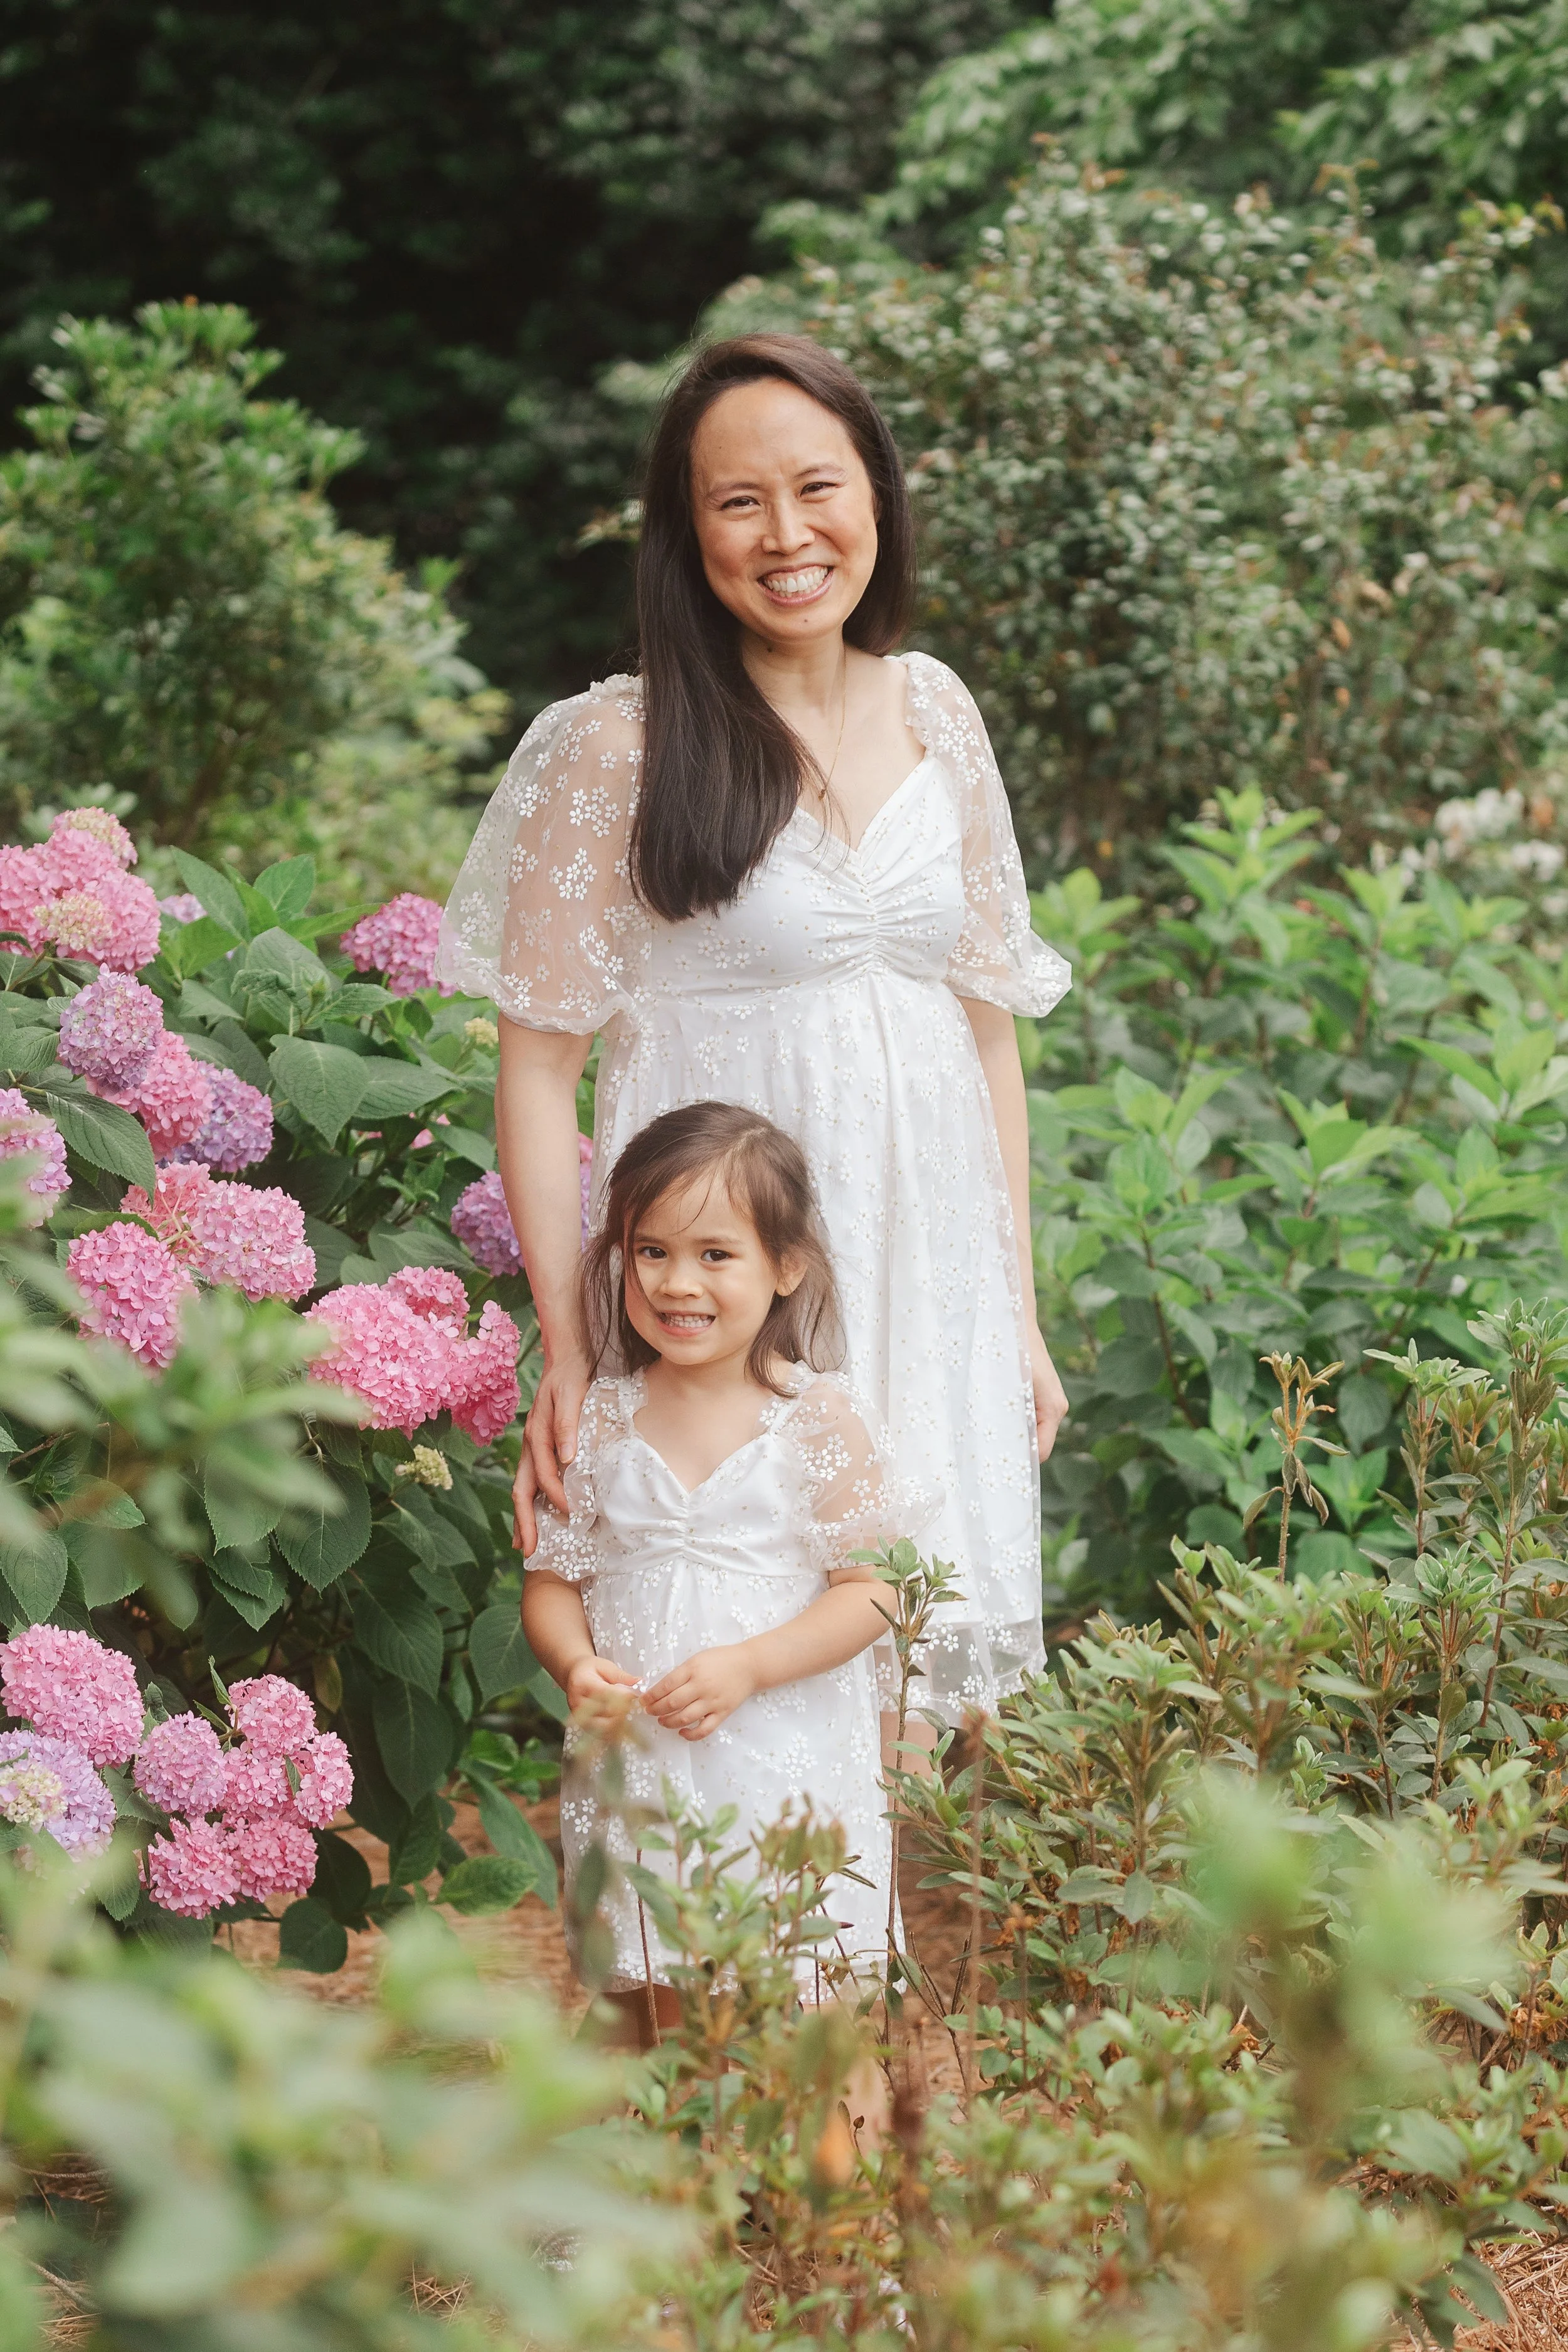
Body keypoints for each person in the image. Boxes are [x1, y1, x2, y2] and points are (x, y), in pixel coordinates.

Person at [437, 331, 1071, 1719]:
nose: (786, 535)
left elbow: (984, 1040)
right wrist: (572, 1342)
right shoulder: (618, 749)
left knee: (901, 1680)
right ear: (686, 533)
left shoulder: (939, 715)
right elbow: (538, 1069)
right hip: (720, 1292)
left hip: (924, 1271)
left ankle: (862, 1950)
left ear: (877, 498)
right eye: (737, 502)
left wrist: (1011, 1312)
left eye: (816, 487)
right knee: (701, 1681)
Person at [522, 1101, 925, 2041]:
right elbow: (552, 1583)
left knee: (806, 2013)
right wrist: (577, 1665)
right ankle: (670, 2177)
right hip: (646, 1768)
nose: (676, 1281)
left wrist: (750, 1663)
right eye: (650, 1251)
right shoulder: (601, 1422)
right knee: (655, 1999)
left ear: (786, 1266)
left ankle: (833, 2184)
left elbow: (874, 1589)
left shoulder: (814, 1419)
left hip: (785, 1761)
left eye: (715, 1253)